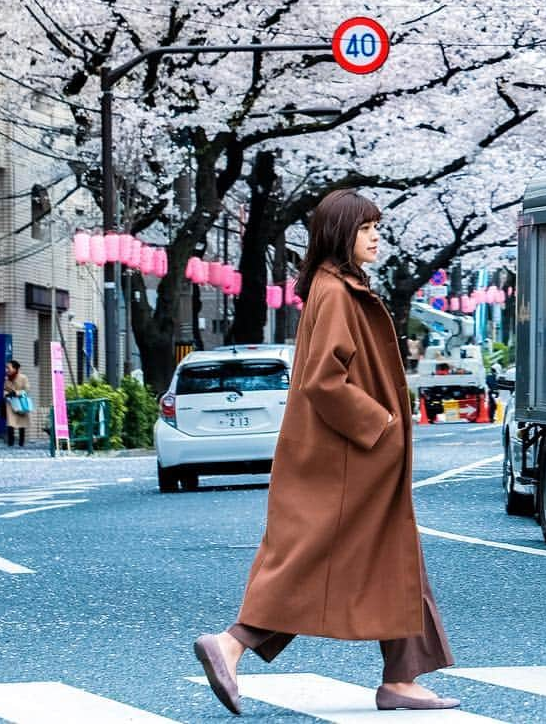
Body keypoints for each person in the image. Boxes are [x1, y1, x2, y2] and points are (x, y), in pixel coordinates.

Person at [194, 189, 460, 714]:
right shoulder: (335, 291)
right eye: (365, 229)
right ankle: (232, 642)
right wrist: (379, 423)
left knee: (393, 557)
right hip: (351, 457)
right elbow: (323, 380)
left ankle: (401, 677)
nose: (376, 236)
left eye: (376, 226)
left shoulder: (337, 287)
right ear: (341, 234)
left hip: (358, 455)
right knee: (320, 558)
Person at [4, 360, 30, 447]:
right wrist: (6, 395)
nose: (7, 369)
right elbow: (5, 389)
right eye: (6, 368)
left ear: (15, 368)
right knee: (10, 422)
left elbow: (26, 389)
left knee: (21, 422)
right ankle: (10, 442)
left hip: (21, 401)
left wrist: (16, 393)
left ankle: (21, 442)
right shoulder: (7, 378)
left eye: (8, 367)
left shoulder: (23, 377)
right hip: (10, 402)